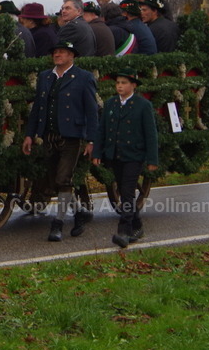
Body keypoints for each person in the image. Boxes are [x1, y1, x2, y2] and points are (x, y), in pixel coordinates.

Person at [22, 40, 100, 241]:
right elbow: (38, 107)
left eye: (62, 52)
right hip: (49, 135)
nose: (57, 55)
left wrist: (92, 140)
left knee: (63, 179)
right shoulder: (45, 76)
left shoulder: (83, 77)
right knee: (55, 180)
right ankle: (80, 212)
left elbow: (92, 111)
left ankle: (58, 224)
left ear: (71, 56)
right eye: (55, 52)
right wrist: (30, 134)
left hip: (71, 135)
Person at [92, 68, 159, 248]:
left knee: (128, 192)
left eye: (124, 83)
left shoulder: (143, 105)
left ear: (133, 85)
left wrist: (152, 159)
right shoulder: (111, 104)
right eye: (118, 83)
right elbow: (102, 130)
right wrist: (97, 153)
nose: (119, 86)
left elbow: (150, 134)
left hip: (134, 155)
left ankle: (124, 231)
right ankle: (137, 226)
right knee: (123, 190)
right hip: (115, 154)